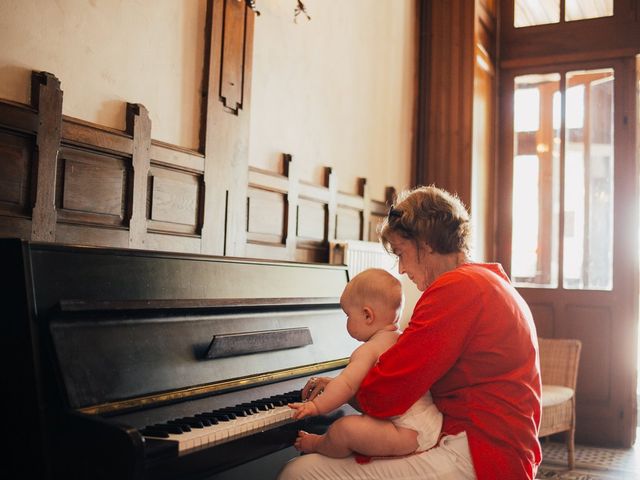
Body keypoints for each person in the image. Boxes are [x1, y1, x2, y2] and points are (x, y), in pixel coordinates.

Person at [278, 185, 542, 480]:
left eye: (402, 253)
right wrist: (343, 386)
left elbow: (387, 395)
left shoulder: (456, 288)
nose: (401, 269)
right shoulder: (487, 279)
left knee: (300, 472)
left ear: (425, 243)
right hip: (500, 449)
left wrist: (345, 387)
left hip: (478, 455)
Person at [288, 268, 443, 460]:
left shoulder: (369, 350)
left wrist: (315, 407)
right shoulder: (402, 339)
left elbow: (346, 385)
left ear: (367, 315)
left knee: (343, 429)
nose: (346, 322)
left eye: (347, 316)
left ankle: (317, 443)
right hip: (431, 423)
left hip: (405, 432)